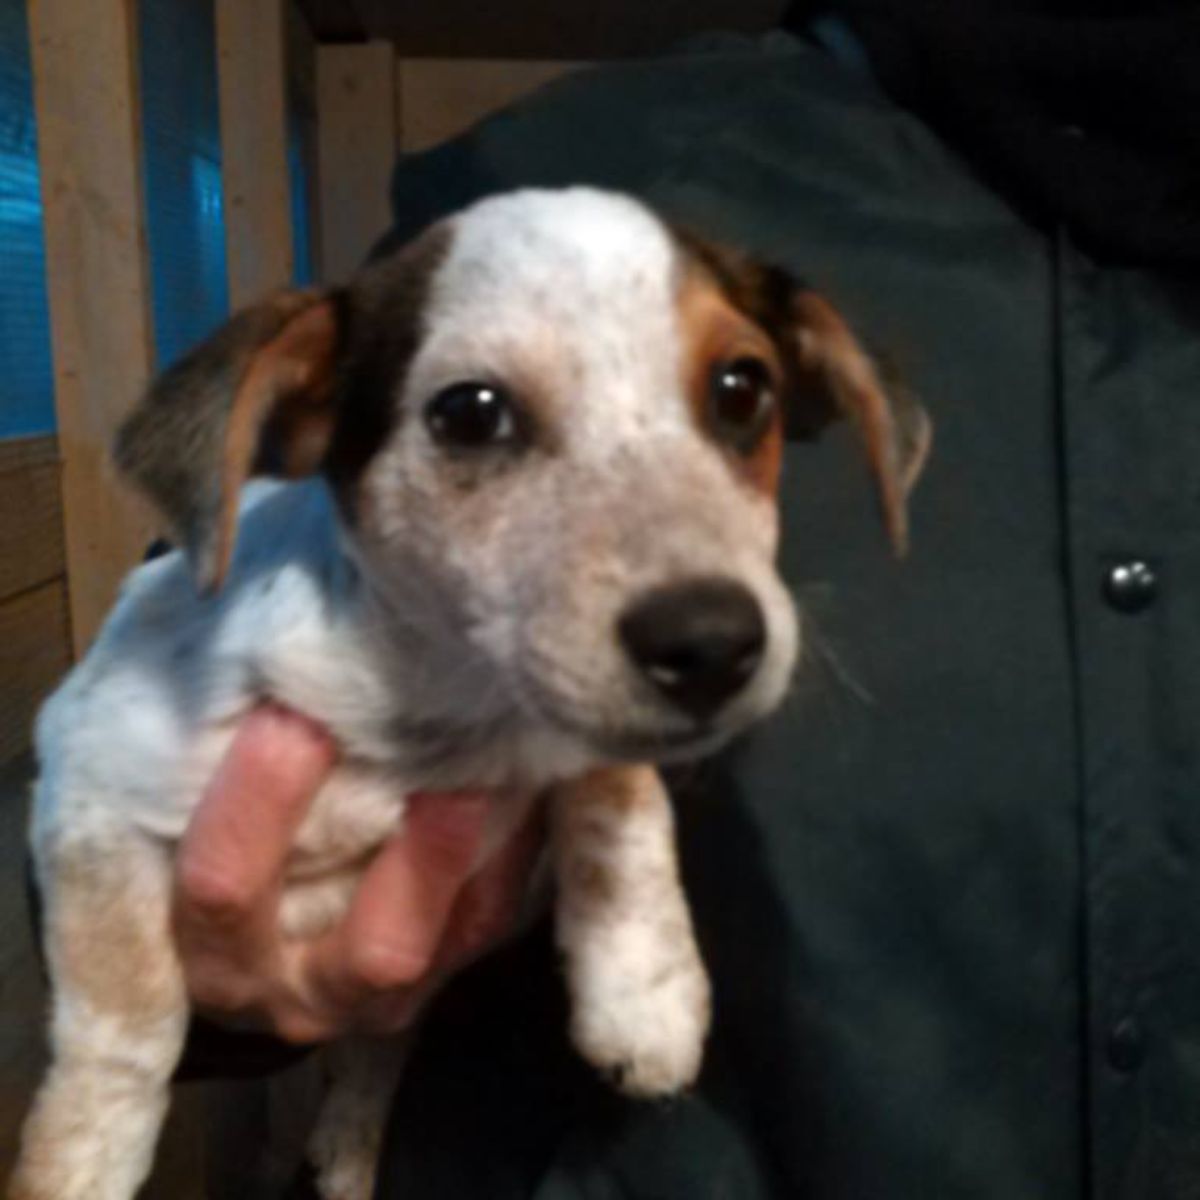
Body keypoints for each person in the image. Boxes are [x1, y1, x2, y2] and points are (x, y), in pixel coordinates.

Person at [171, 3, 1200, 1197]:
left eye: (732, 397)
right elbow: (183, 682)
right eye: (485, 421)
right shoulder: (577, 185)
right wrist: (205, 963)